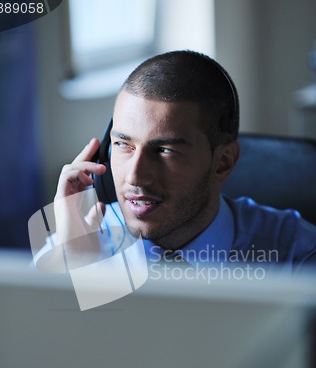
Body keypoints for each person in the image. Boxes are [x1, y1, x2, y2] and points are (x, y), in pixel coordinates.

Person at [49, 50, 316, 274]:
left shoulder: (297, 257)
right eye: (123, 145)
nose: (134, 177)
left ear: (222, 162)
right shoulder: (76, 241)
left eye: (165, 150)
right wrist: (76, 271)